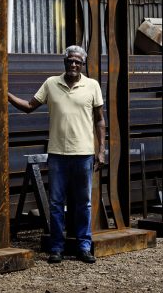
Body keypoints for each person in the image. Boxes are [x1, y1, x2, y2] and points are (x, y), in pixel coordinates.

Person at [8, 45, 106, 264]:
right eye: (70, 61)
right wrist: (5, 93)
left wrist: (101, 151)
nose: (73, 64)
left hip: (83, 154)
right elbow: (28, 106)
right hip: (57, 155)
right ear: (64, 62)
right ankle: (57, 248)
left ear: (83, 64)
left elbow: (100, 120)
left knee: (84, 203)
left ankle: (83, 246)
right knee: (55, 204)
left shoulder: (92, 86)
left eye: (77, 62)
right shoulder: (51, 83)